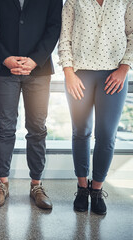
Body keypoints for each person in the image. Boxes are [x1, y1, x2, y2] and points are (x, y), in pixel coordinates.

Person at [59, 0, 132, 215]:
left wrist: (124, 69)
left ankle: (97, 190)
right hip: (79, 74)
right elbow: (65, 36)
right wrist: (68, 72)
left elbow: (132, 33)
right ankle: (82, 188)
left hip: (114, 75)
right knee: (81, 131)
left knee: (107, 135)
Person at [0, 0, 62, 209]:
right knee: (5, 127)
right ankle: (2, 183)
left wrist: (35, 59)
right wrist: (5, 58)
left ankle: (36, 185)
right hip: (5, 69)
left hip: (38, 70)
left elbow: (54, 27)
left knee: (37, 128)